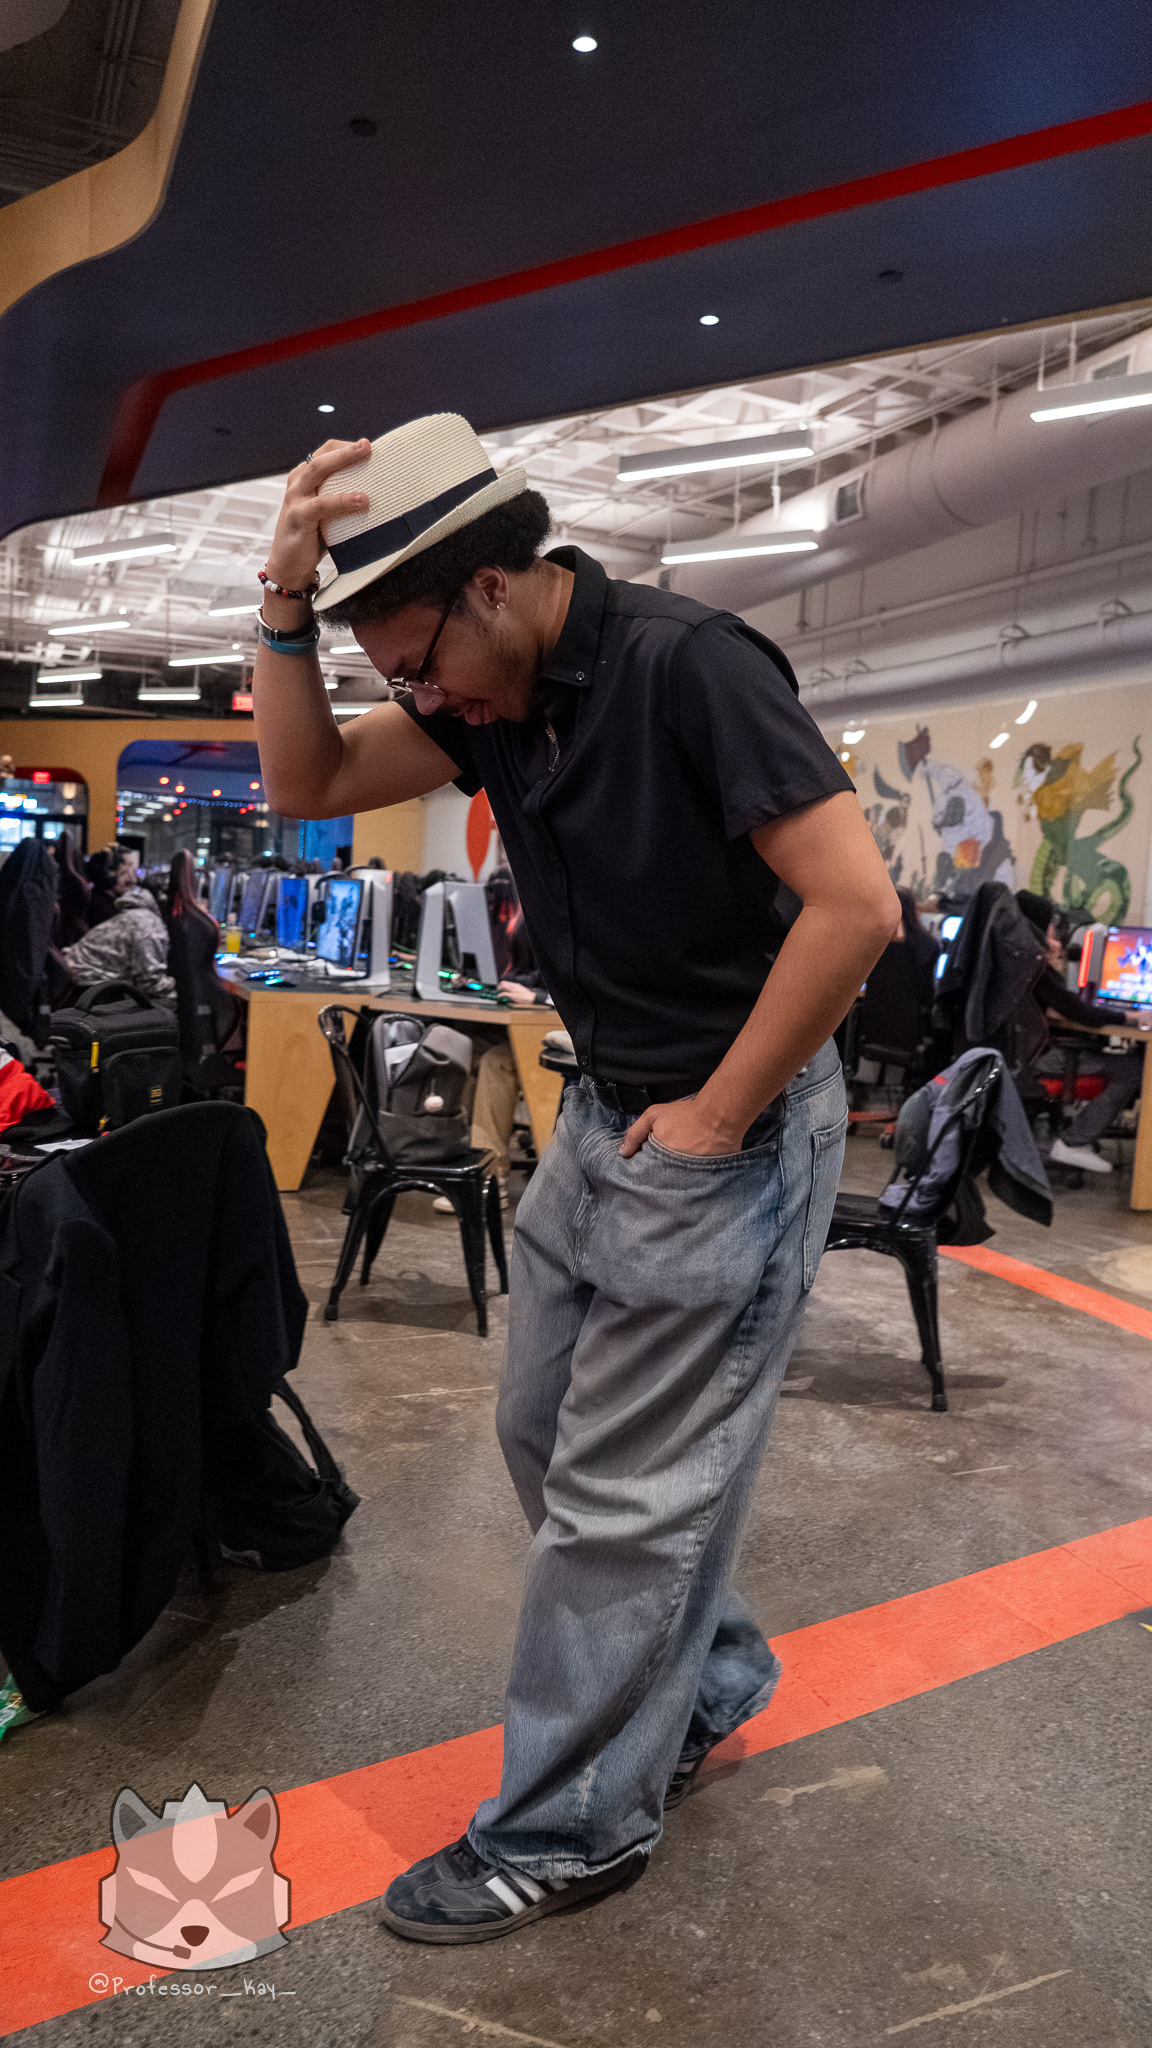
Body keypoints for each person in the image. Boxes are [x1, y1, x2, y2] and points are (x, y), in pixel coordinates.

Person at [252, 413, 900, 1944]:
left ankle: (569, 1829)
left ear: (493, 585)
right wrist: (282, 608)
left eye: (420, 666)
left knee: (621, 1500)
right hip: (606, 1113)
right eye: (401, 683)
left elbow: (857, 907)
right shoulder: (496, 699)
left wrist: (721, 1114)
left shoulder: (691, 668)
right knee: (543, 1428)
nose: (422, 702)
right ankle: (708, 1674)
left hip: (723, 1127)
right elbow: (309, 777)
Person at [1016, 889, 1147, 1174]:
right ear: (1041, 927)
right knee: (1134, 1069)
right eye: (1052, 925)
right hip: (1040, 1058)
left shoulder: (1014, 958)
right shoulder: (1035, 965)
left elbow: (1058, 1005)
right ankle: (1073, 1142)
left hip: (1020, 1054)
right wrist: (1132, 1016)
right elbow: (1082, 1014)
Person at [58, 845, 176, 1008]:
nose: (132, 879)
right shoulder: (139, 920)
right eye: (124, 872)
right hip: (94, 989)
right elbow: (150, 981)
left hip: (89, 982)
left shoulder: (125, 910)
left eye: (133, 870)